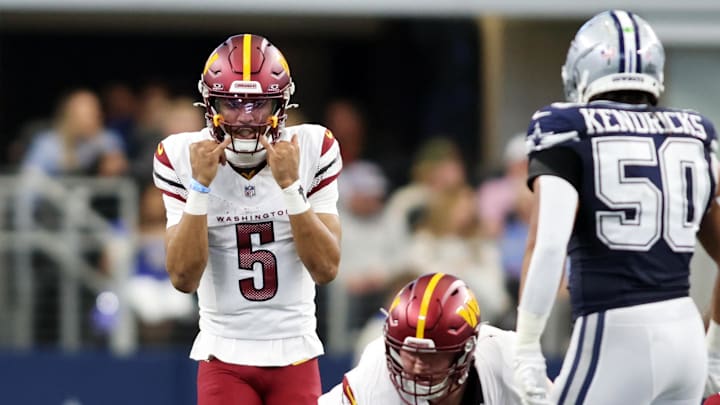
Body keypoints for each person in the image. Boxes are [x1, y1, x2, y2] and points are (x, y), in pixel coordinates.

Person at [513, 10, 720, 405]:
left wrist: (525, 346)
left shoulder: (566, 126)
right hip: (685, 332)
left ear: (582, 71)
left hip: (614, 331)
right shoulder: (696, 132)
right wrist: (715, 348)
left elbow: (548, 244)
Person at [152, 34, 342, 405]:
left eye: (259, 104)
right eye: (232, 103)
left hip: (295, 350)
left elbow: (327, 268)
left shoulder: (312, 149)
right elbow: (183, 278)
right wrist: (199, 188)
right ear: (210, 103)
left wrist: (290, 187)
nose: (246, 118)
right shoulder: (179, 156)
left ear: (281, 103)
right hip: (223, 354)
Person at [319, 272, 526, 405]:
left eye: (431, 355)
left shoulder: (505, 359)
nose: (418, 366)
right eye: (410, 352)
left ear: (466, 349)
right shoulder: (375, 373)